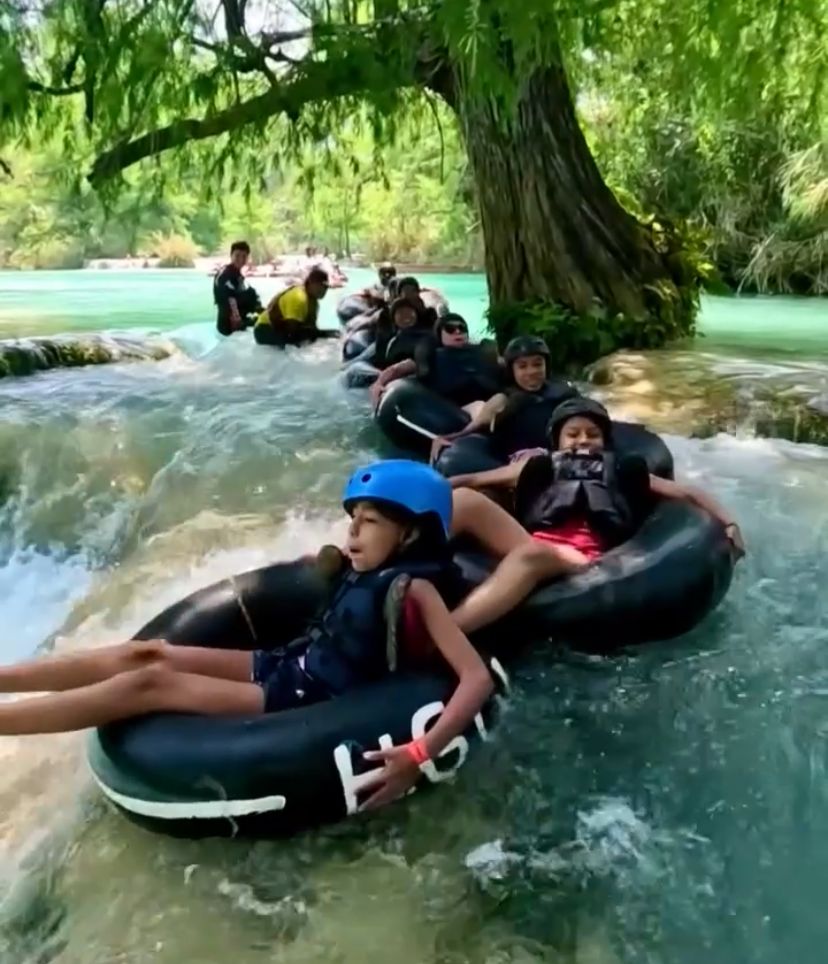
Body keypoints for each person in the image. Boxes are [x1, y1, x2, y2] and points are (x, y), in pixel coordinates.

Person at [0, 461, 493, 811]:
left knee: (149, 684)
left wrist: (418, 752)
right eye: (353, 521)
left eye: (370, 523)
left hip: (304, 692)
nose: (353, 534)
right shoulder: (362, 570)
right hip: (289, 660)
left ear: (409, 534)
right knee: (148, 653)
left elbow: (475, 679)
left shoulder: (416, 590)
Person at [445, 397, 746, 634]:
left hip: (579, 558)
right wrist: (427, 486)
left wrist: (729, 522)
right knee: (464, 501)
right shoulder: (540, 465)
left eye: (592, 434)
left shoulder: (621, 469)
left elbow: (687, 493)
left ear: (604, 440)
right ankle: (403, 566)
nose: (583, 440)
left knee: (532, 554)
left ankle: (443, 635)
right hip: (528, 541)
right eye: (572, 434)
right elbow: (473, 480)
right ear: (558, 441)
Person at [430, 335, 578, 463]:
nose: (532, 371)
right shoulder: (503, 401)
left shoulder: (565, 394)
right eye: (522, 366)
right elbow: (475, 428)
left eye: (538, 364)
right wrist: (448, 438)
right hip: (515, 468)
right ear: (512, 370)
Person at [370, 314, 503, 417]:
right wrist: (379, 383)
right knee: (479, 407)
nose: (457, 332)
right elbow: (398, 369)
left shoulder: (481, 351)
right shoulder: (430, 355)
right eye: (450, 329)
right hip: (454, 407)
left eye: (462, 328)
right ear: (440, 334)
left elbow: (505, 363)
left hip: (487, 400)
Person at [253, 267, 338, 348]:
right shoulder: (299, 297)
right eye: (321, 285)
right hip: (264, 329)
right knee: (303, 336)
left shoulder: (313, 302)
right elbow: (292, 332)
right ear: (311, 282)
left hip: (281, 329)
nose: (324, 289)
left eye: (326, 287)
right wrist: (324, 334)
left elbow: (312, 329)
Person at [371, 297, 434, 370]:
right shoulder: (390, 338)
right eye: (401, 313)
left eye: (409, 312)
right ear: (394, 319)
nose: (406, 316)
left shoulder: (424, 335)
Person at [214, 241, 262, 336]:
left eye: (244, 256)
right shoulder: (224, 275)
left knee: (251, 292)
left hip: (241, 318)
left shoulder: (237, 275)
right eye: (237, 255)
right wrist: (238, 322)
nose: (240, 259)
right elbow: (230, 299)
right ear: (231, 256)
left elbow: (250, 296)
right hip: (228, 325)